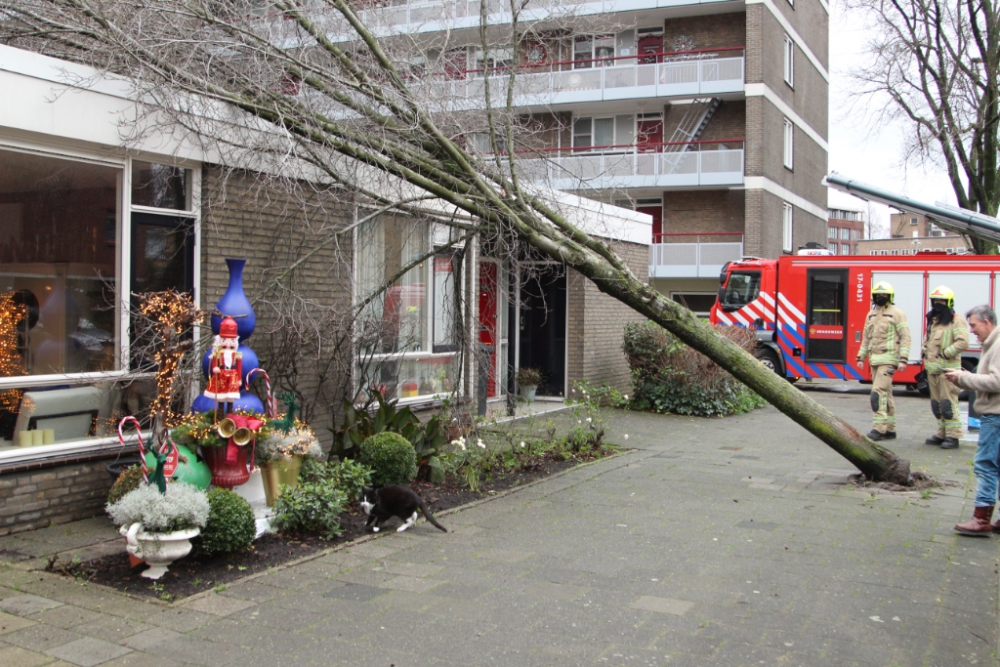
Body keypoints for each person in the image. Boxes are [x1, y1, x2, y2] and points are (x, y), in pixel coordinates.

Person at [945, 305, 1000, 536]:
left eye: (975, 326)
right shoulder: (993, 343)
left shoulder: (997, 346)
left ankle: (981, 519)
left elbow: (997, 381)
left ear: (987, 322)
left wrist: (964, 377)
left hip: (995, 416)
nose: (973, 331)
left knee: (985, 464)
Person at [856, 281, 911, 441]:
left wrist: (903, 359)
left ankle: (879, 429)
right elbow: (866, 338)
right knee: (886, 395)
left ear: (890, 297)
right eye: (878, 295)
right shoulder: (871, 315)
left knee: (877, 393)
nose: (880, 297)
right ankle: (890, 429)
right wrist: (861, 357)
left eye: (883, 295)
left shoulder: (897, 314)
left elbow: (905, 337)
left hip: (889, 360)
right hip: (875, 360)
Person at [922, 286, 969, 449]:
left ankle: (953, 436)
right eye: (935, 301)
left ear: (949, 302)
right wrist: (924, 350)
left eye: (941, 301)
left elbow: (963, 342)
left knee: (948, 404)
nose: (938, 304)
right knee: (937, 405)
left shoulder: (956, 320)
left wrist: (945, 353)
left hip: (948, 371)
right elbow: (928, 340)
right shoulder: (933, 320)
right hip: (933, 370)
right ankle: (942, 433)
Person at [203, 316, 243, 417]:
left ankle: (230, 415)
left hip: (233, 376)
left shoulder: (237, 354)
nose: (229, 343)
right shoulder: (218, 353)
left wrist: (239, 379)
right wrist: (214, 368)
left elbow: (239, 367)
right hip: (221, 375)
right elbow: (214, 362)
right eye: (225, 340)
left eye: (232, 340)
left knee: (230, 397)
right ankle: (220, 416)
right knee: (221, 396)